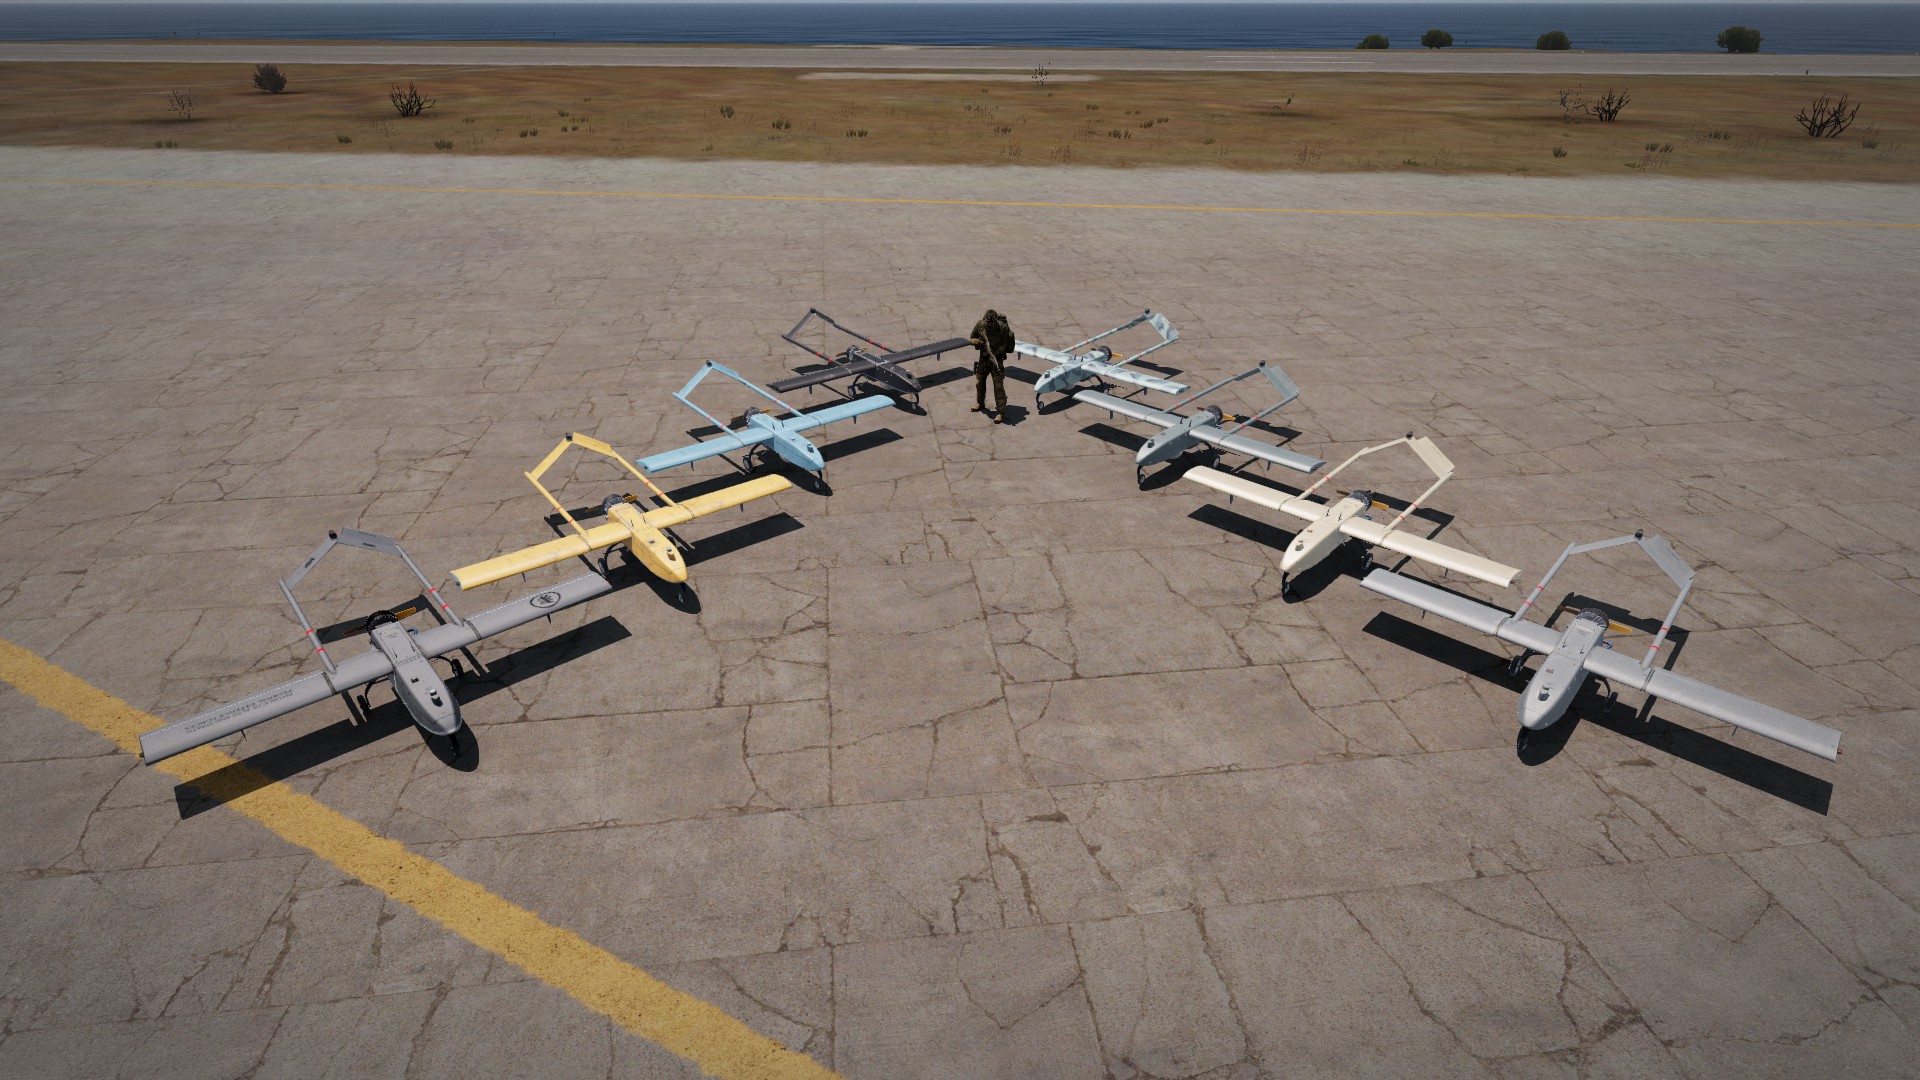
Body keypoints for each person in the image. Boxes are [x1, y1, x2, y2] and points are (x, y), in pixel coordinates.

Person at [969, 308, 1013, 422]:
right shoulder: (980, 325)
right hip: (983, 359)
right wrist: (978, 342)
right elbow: (972, 337)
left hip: (996, 360)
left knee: (998, 387)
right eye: (988, 323)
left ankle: (1001, 412)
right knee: (979, 382)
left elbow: (1004, 345)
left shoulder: (1002, 327)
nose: (990, 325)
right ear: (985, 320)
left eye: (992, 324)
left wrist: (994, 353)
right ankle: (980, 403)